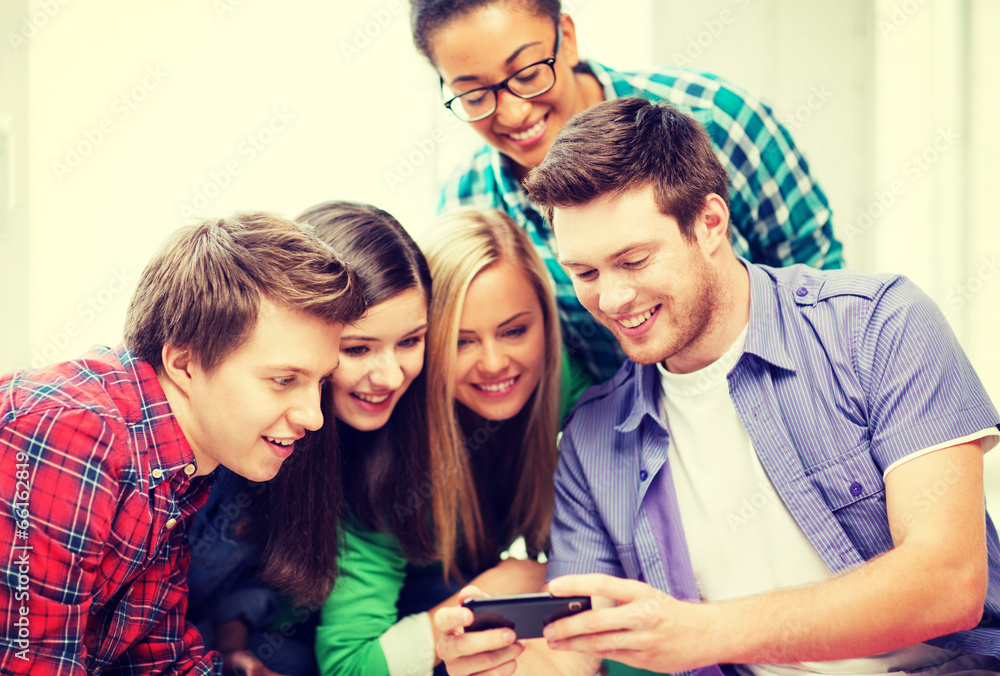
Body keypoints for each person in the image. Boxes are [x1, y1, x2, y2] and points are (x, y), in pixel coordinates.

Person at [435, 97, 1000, 676]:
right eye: (584, 273)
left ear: (709, 223)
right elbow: (573, 654)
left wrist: (706, 633)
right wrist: (487, 663)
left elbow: (948, 582)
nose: (610, 299)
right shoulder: (592, 438)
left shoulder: (879, 327)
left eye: (632, 260)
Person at [0, 212, 365, 675]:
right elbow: (33, 667)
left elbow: (157, 657)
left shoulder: (176, 469)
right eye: (284, 379)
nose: (313, 416)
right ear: (185, 363)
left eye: (320, 381)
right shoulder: (73, 433)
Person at [410, 0, 846, 385]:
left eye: (526, 74)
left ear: (566, 37)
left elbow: (815, 269)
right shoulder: (470, 204)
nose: (513, 111)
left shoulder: (718, 117)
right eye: (473, 95)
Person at [306, 203, 571, 676]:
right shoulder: (386, 462)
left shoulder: (575, 386)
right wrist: (500, 586)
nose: (494, 363)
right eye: (462, 341)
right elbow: (347, 665)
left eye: (514, 331)